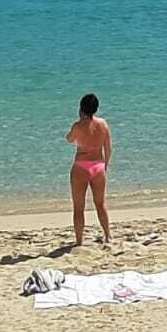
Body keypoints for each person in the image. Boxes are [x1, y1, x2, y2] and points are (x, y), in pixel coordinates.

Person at [66, 93, 113, 246]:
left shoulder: (78, 126)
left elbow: (69, 139)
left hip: (81, 165)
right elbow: (108, 148)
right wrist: (105, 164)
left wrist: (79, 122)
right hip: (98, 166)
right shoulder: (103, 124)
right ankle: (108, 236)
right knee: (100, 204)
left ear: (81, 109)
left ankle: (79, 241)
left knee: (79, 208)